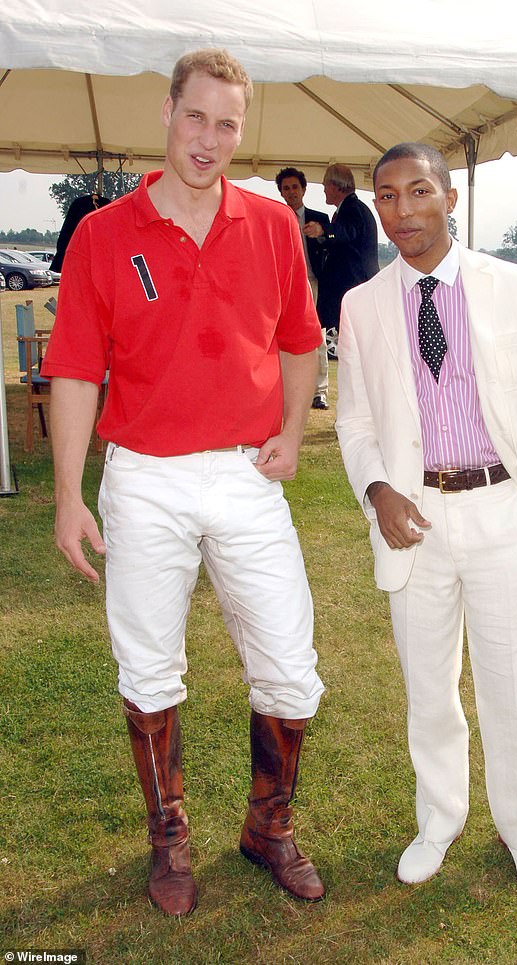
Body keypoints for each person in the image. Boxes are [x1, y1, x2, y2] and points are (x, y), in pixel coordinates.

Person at [41, 48, 326, 916]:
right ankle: (169, 838)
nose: (209, 139)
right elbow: (78, 371)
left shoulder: (274, 224)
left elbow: (300, 338)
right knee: (149, 666)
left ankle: (266, 827)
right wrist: (65, 495)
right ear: (167, 113)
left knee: (290, 665)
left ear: (244, 131)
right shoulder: (102, 234)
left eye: (228, 124)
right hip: (144, 479)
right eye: (196, 117)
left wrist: (289, 432)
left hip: (245, 477)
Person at [335, 142, 517, 900]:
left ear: (450, 197)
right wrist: (377, 490)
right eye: (387, 196)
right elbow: (355, 421)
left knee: (512, 686)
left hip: (504, 510)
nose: (402, 211)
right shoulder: (362, 303)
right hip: (417, 520)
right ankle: (439, 818)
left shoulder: (513, 286)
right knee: (429, 689)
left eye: (418, 192)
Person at [304, 163, 379, 348]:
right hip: (350, 286)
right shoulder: (350, 209)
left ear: (336, 185)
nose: (323, 191)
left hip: (352, 286)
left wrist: (323, 230)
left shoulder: (353, 209)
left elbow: (347, 231)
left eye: (325, 186)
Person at [275, 166, 331, 409]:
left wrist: (319, 236)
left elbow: (333, 245)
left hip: (313, 283)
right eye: (286, 188)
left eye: (295, 187)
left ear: (304, 189)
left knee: (316, 336)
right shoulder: (274, 217)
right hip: (282, 286)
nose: (291, 192)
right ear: (281, 192)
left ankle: (320, 392)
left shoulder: (320, 218)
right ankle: (284, 390)